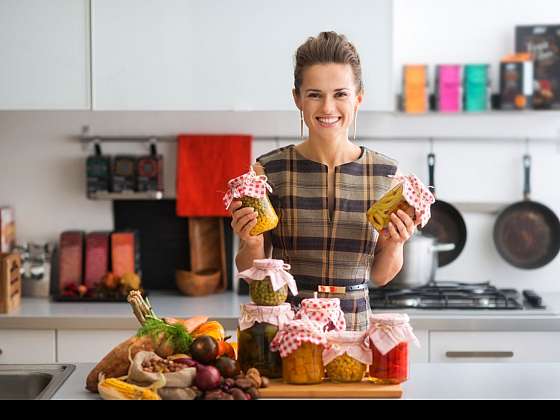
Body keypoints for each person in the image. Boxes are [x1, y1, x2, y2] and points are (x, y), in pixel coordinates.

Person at [229, 31, 419, 331]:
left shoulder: (387, 176)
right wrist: (251, 243)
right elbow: (249, 268)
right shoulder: (268, 171)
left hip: (354, 332)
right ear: (298, 99)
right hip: (287, 329)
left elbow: (381, 276)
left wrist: (396, 244)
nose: (328, 108)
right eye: (315, 94)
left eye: (340, 94)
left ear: (358, 99)